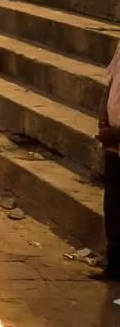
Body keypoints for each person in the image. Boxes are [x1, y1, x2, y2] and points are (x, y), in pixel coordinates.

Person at [95, 43, 120, 281]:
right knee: (112, 208)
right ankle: (114, 267)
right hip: (113, 146)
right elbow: (111, 83)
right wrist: (103, 121)